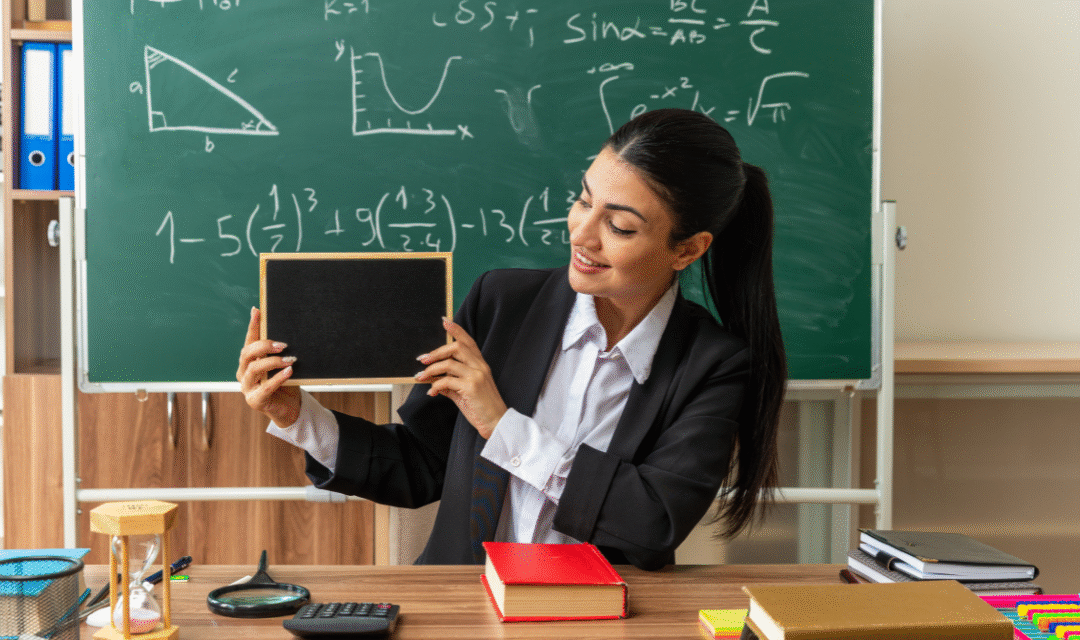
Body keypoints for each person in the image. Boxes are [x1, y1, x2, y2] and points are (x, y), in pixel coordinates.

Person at [237, 108, 786, 571]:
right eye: (583, 200)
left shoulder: (713, 363)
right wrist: (297, 415)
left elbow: (653, 522)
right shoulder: (502, 302)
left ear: (687, 249)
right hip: (462, 608)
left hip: (603, 617)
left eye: (619, 226)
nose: (582, 233)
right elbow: (426, 465)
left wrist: (500, 424)